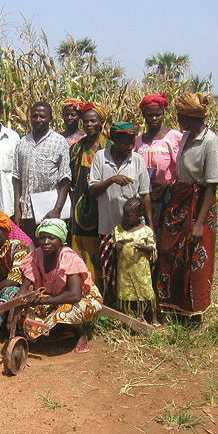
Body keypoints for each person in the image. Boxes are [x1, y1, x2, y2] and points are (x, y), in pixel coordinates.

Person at [156, 92, 218, 320]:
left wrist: (199, 223)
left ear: (190, 117)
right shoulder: (185, 136)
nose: (177, 120)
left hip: (199, 202)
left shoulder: (210, 142)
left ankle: (194, 311)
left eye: (180, 115)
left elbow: (211, 185)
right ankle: (174, 305)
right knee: (171, 251)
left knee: (195, 255)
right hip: (180, 198)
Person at [88, 121, 153, 302]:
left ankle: (132, 304)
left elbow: (145, 193)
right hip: (108, 226)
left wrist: (150, 225)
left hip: (133, 230)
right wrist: (112, 180)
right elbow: (92, 190)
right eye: (125, 143)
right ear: (114, 140)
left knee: (133, 268)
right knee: (108, 268)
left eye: (132, 143)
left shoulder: (137, 159)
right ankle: (110, 303)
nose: (129, 147)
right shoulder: (101, 157)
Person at [18, 219, 103, 353]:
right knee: (26, 313)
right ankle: (61, 331)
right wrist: (19, 302)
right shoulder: (36, 255)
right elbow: (24, 288)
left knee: (67, 312)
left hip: (83, 299)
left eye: (51, 238)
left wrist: (44, 300)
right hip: (54, 297)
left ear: (60, 239)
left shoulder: (68, 258)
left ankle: (79, 332)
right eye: (42, 238)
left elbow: (75, 295)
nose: (46, 242)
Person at [13, 101, 71, 237]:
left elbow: (65, 178)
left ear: (50, 118)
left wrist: (57, 209)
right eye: (34, 116)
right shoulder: (22, 143)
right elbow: (17, 178)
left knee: (49, 252)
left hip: (49, 212)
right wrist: (17, 209)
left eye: (42, 116)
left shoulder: (59, 142)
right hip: (26, 214)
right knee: (30, 254)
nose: (38, 119)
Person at [69, 102, 110, 287]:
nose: (89, 125)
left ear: (101, 122)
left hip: (102, 205)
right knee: (79, 246)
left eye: (93, 121)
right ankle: (83, 288)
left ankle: (101, 291)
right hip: (79, 204)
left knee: (100, 247)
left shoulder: (109, 147)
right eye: (86, 121)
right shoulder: (77, 148)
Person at [134, 94, 183, 237]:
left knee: (167, 236)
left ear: (163, 114)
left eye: (158, 115)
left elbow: (181, 168)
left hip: (168, 196)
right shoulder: (138, 141)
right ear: (143, 115)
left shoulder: (173, 137)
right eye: (150, 115)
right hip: (144, 197)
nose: (154, 119)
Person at [111, 198, 158, 325]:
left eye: (130, 215)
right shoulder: (118, 229)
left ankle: (153, 317)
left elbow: (153, 248)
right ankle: (128, 317)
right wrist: (117, 247)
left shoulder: (146, 230)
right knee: (126, 293)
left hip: (141, 269)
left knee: (146, 291)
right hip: (125, 269)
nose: (126, 217)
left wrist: (145, 248)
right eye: (124, 214)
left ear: (139, 215)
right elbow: (115, 243)